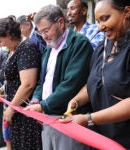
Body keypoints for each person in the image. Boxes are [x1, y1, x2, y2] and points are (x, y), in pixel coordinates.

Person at [60, 0, 130, 149]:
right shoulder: (101, 47)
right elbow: (95, 82)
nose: (100, 27)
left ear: (127, 12)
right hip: (101, 139)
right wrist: (76, 100)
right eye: (98, 21)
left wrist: (88, 118)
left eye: (105, 18)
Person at [25, 4, 93, 150]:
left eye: (46, 30)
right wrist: (36, 99)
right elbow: (41, 82)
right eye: (40, 32)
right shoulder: (49, 50)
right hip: (48, 117)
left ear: (60, 23)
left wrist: (43, 106)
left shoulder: (79, 44)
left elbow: (71, 84)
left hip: (68, 119)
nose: (44, 36)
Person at [0, 16, 42, 150]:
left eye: (0, 41)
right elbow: (12, 81)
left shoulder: (27, 48)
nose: (0, 45)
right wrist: (0, 95)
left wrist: (11, 108)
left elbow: (28, 84)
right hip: (16, 110)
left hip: (24, 111)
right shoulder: (13, 51)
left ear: (9, 35)